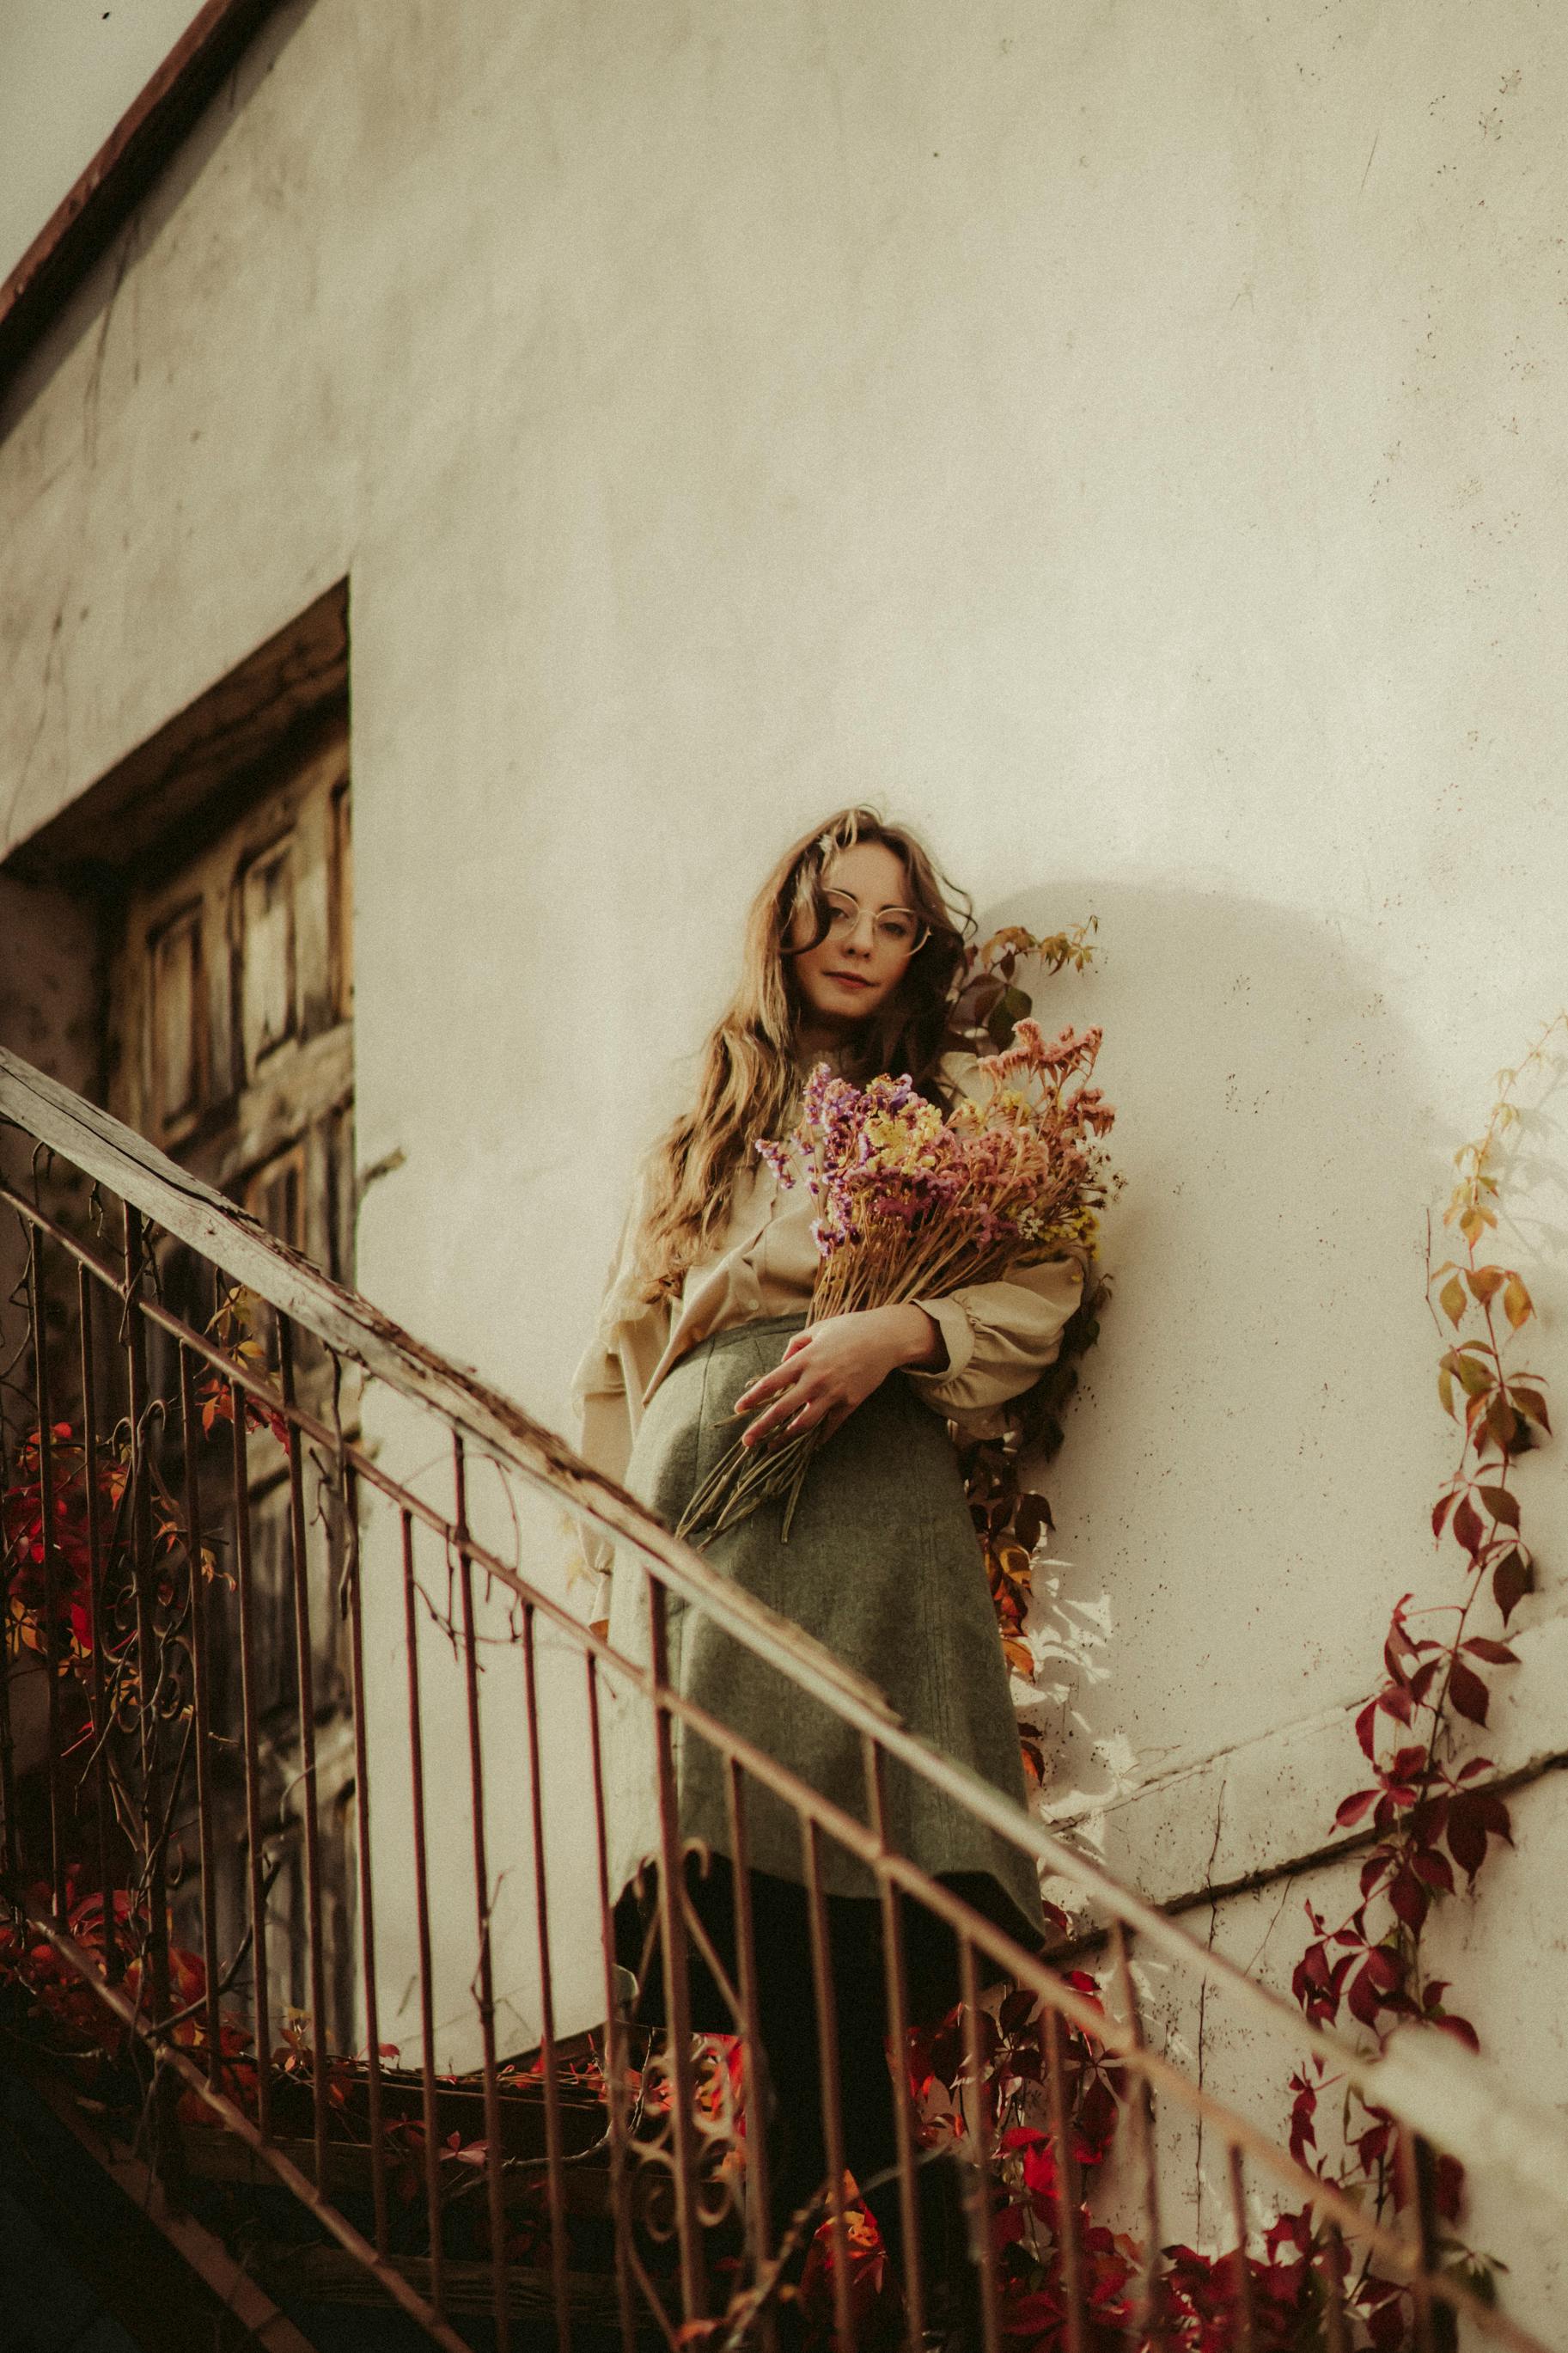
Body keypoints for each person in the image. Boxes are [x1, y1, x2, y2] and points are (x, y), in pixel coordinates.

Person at [570, 808, 1086, 2334]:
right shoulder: (704, 1124)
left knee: (854, 1864)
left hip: (864, 1494)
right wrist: (616, 1554)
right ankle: (884, 2214)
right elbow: (614, 1356)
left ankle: (856, 2217)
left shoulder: (952, 1103)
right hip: (709, 1501)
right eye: (835, 909)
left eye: (892, 920)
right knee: (749, 1866)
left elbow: (1041, 1284)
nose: (862, 940)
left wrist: (892, 1331)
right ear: (783, 923)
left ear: (921, 945)